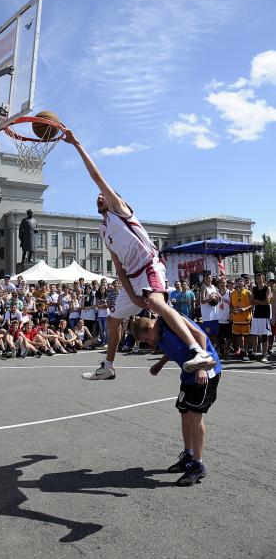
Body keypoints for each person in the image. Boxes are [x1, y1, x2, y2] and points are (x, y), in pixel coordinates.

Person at [63, 129, 215, 380]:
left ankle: (198, 350)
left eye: (104, 195)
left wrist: (77, 144)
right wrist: (131, 293)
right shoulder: (104, 229)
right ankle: (108, 367)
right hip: (132, 278)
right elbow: (118, 266)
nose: (100, 196)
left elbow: (96, 176)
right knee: (112, 320)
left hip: (149, 266)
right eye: (98, 197)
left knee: (157, 304)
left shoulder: (121, 211)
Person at [132, 314, 221, 486]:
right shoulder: (159, 334)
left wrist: (202, 367)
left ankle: (198, 464)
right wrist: (161, 363)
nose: (149, 343)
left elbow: (200, 336)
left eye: (146, 339)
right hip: (188, 373)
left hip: (205, 371)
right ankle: (188, 455)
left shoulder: (170, 320)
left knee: (195, 415)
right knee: (184, 412)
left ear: (150, 328)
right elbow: (173, 347)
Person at [250, 272, 272, 363]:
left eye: (260, 278)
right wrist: (255, 299)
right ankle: (254, 353)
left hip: (265, 315)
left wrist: (256, 301)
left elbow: (267, 302)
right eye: (257, 278)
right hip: (256, 314)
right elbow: (251, 302)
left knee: (264, 336)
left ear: (263, 279)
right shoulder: (254, 289)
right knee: (254, 334)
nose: (258, 280)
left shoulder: (268, 288)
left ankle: (265, 354)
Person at [230, 277, 253, 361]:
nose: (239, 282)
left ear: (243, 283)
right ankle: (242, 351)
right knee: (238, 336)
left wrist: (245, 309)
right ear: (236, 283)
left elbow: (252, 304)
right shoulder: (232, 293)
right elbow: (230, 304)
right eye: (238, 281)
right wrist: (232, 310)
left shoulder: (248, 292)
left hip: (245, 317)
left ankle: (248, 352)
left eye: (241, 281)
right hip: (236, 318)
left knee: (247, 336)